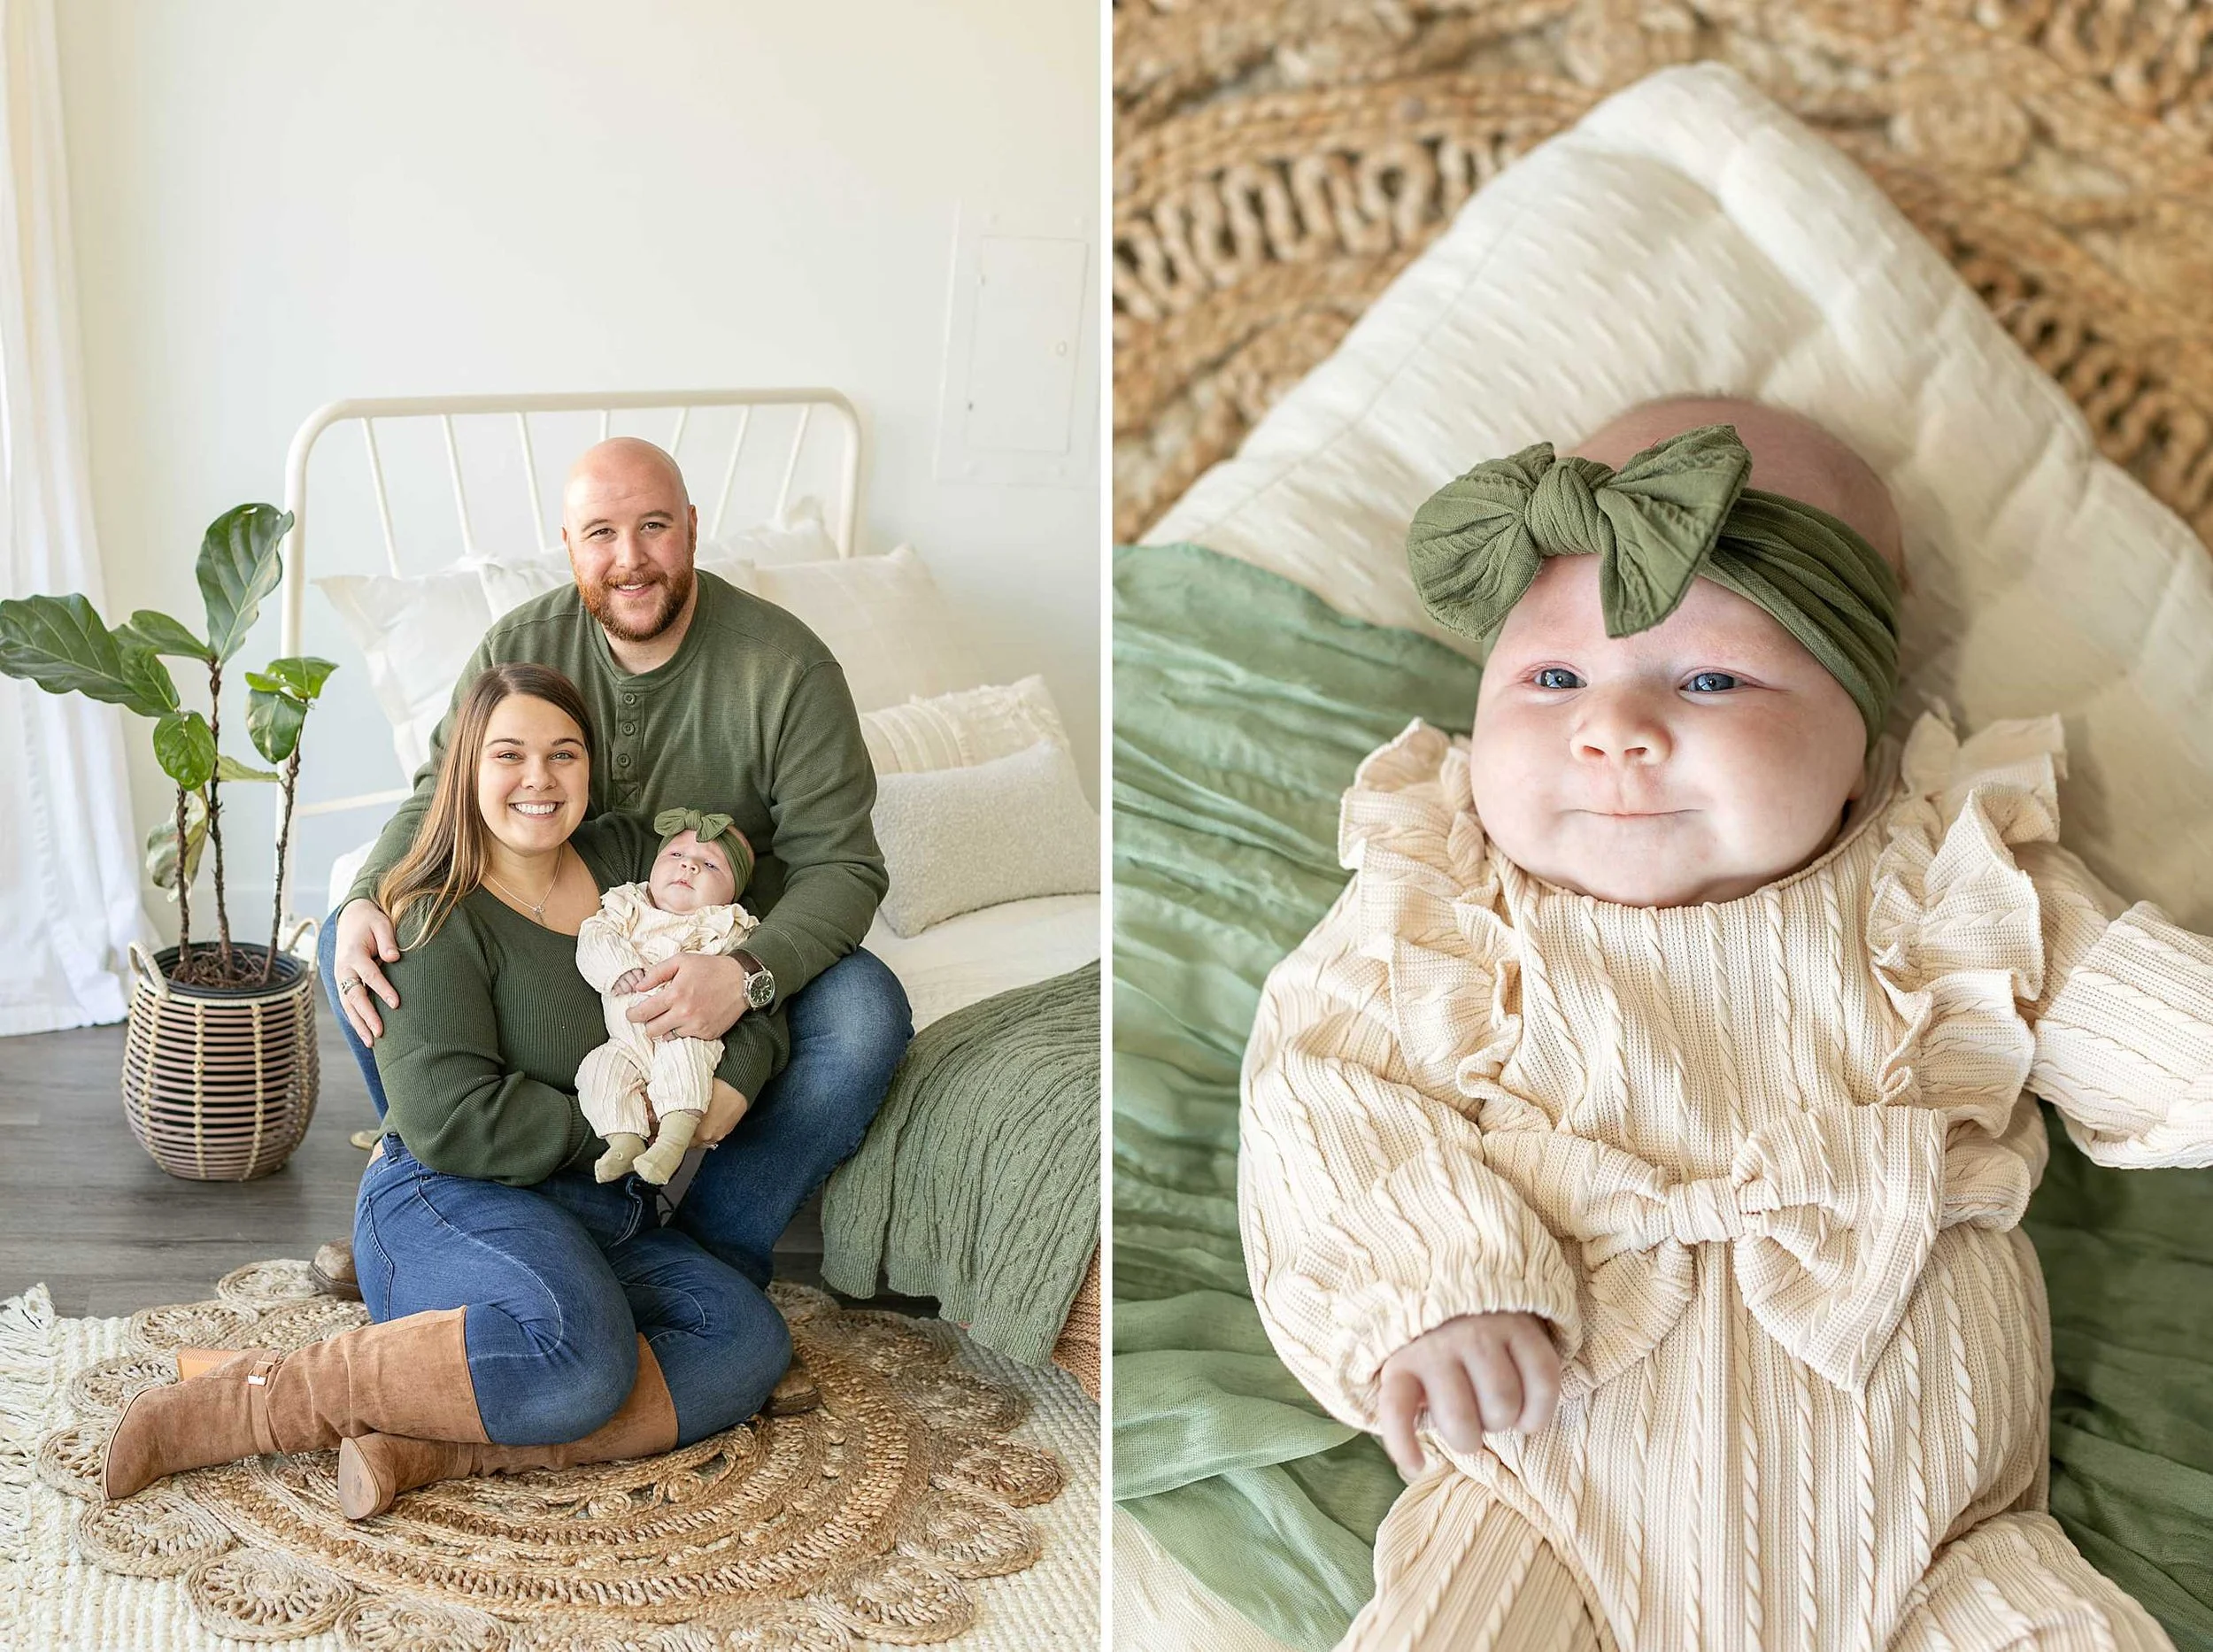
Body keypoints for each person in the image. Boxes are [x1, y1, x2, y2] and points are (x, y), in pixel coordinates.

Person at [1241, 398, 2208, 1649]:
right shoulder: (1443, 899)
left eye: (1709, 678)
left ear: (1858, 729)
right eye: (1552, 678)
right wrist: (1436, 1289)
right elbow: (1325, 1093)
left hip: (1942, 1546)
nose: (1613, 730)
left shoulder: (1951, 882)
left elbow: (2152, 1021)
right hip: (1545, 1511)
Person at [107, 664, 792, 1520]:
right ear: (466, 767)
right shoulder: (429, 912)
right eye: (509, 755)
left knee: (745, 1337)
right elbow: (450, 1119)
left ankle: (430, 1449)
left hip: (604, 1212)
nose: (540, 779)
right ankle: (250, 1399)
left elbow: (745, 970)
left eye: (564, 754)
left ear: (590, 769)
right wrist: (643, 1120)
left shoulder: (628, 862)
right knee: (581, 1357)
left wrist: (733, 1075)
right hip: (447, 1200)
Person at [320, 436, 911, 1287]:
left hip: (734, 936)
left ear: (693, 528)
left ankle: (702, 1250)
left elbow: (843, 868)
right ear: (568, 545)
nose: (629, 559)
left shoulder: (787, 667)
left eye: (654, 526)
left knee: (866, 1013)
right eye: (601, 533)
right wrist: (368, 893)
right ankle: (438, 1205)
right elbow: (439, 791)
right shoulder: (521, 644)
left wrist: (744, 972)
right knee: (354, 939)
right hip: (581, 926)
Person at [576, 809, 760, 1185]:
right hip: (625, 1041)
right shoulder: (628, 905)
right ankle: (624, 1141)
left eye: (710, 865)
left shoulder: (727, 924)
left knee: (686, 1062)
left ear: (732, 894)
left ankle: (672, 1142)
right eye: (676, 854)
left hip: (684, 1032)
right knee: (597, 1070)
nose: (688, 865)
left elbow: (740, 973)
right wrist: (618, 968)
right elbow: (594, 936)